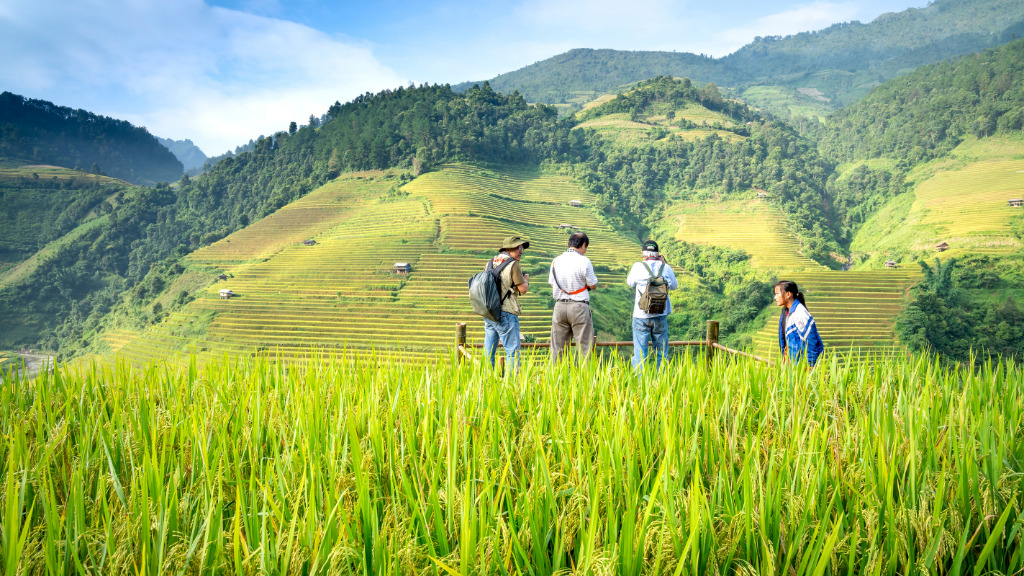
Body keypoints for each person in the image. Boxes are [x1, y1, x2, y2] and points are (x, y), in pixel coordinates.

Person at [626, 240, 678, 371]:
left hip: (640, 315)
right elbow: (674, 286)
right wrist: (663, 264)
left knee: (640, 353)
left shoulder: (638, 266)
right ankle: (662, 383)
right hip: (660, 314)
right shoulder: (665, 268)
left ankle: (640, 385)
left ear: (643, 254)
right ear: (658, 254)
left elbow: (630, 283)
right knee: (662, 353)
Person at [548, 232, 598, 362]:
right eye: (585, 247)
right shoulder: (584, 261)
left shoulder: (556, 261)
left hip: (559, 307)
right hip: (579, 307)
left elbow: (553, 285)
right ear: (583, 245)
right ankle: (585, 380)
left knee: (558, 349)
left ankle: (557, 379)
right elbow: (593, 285)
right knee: (585, 348)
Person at [483, 236, 530, 370]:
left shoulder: (490, 262)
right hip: (506, 313)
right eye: (517, 247)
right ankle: (511, 385)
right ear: (508, 248)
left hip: (490, 312)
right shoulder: (513, 264)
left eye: (521, 248)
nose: (521, 251)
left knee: (489, 350)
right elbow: (523, 289)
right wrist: (525, 279)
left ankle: (486, 381)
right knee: (512, 351)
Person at [775, 280, 824, 366]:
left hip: (801, 366)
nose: (775, 298)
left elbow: (809, 342)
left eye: (777, 294)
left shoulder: (800, 314)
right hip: (792, 364)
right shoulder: (786, 312)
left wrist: (810, 365)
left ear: (788, 294)